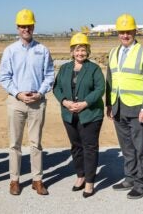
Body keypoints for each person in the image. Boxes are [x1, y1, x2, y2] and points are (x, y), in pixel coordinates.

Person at [0, 8, 54, 196]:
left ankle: (37, 180)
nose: (26, 29)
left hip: (37, 102)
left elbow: (49, 75)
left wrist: (40, 93)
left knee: (36, 143)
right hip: (16, 102)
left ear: (33, 26)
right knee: (14, 143)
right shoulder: (10, 51)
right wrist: (18, 94)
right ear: (17, 28)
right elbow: (4, 77)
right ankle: (14, 180)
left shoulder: (42, 50)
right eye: (22, 26)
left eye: (29, 25)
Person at [105, 13, 143, 199]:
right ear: (117, 33)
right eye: (122, 32)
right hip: (118, 106)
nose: (125, 35)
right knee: (126, 146)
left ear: (135, 31)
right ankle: (130, 177)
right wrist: (109, 104)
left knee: (140, 146)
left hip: (136, 108)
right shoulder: (113, 52)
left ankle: (141, 184)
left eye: (128, 32)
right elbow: (110, 79)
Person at [53, 33, 105, 198]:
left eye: (83, 50)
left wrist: (85, 103)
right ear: (71, 52)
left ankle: (90, 182)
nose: (80, 53)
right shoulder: (65, 68)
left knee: (89, 148)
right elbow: (57, 88)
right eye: (77, 50)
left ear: (88, 51)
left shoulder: (94, 68)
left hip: (90, 114)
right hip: (69, 115)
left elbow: (100, 89)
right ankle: (80, 176)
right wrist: (64, 102)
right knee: (76, 147)